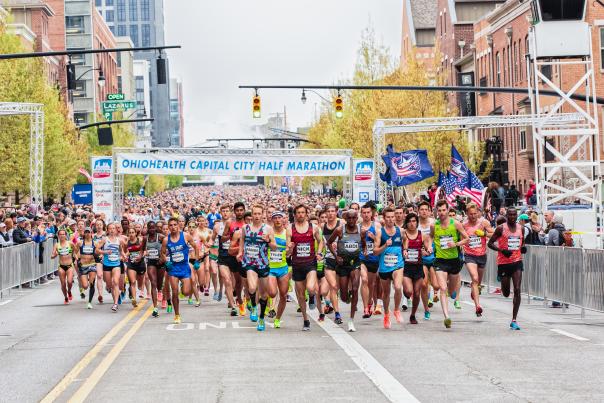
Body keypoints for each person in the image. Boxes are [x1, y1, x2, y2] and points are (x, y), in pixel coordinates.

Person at [430, 199, 469, 329]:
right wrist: (429, 247)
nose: (441, 213)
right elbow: (430, 237)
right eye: (439, 210)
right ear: (436, 211)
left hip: (453, 261)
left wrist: (456, 244)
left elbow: (467, 238)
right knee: (442, 288)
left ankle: (453, 293)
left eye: (443, 210)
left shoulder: (456, 224)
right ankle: (446, 317)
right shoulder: (434, 225)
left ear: (448, 210)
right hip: (440, 261)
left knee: (451, 290)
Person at [237, 204, 276, 331]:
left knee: (264, 295)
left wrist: (268, 241)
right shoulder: (245, 228)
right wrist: (240, 252)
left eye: (259, 214)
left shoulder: (268, 229)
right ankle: (253, 306)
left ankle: (261, 318)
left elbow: (274, 247)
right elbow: (242, 240)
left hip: (263, 264)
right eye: (255, 214)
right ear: (251, 215)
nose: (257, 216)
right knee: (252, 287)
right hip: (250, 262)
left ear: (262, 214)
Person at [488, 207, 526, 330]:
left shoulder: (521, 228)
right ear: (507, 216)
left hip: (517, 261)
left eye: (514, 215)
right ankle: (503, 285)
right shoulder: (501, 228)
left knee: (517, 289)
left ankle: (514, 319)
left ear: (517, 216)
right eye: (510, 215)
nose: (512, 217)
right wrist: (501, 250)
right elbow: (490, 243)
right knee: (505, 293)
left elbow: (522, 242)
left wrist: (523, 248)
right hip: (504, 263)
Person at [287, 204, 323, 331]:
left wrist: (319, 253)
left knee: (311, 287)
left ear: (306, 214)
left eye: (303, 212)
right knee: (301, 296)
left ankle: (312, 296)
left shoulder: (313, 227)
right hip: (297, 265)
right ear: (295, 214)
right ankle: (306, 320)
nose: (301, 215)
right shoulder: (290, 228)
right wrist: (290, 248)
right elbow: (287, 251)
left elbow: (321, 241)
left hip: (310, 263)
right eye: (298, 212)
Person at [326, 209, 362, 332]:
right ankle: (346, 295)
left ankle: (351, 320)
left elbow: (364, 243)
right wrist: (336, 256)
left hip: (355, 263)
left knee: (356, 288)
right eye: (349, 218)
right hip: (342, 264)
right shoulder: (339, 230)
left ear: (357, 218)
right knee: (344, 297)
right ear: (345, 219)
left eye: (354, 218)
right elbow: (329, 243)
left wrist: (365, 251)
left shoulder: (361, 231)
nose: (351, 220)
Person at [370, 207, 405, 329]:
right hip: (385, 267)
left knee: (398, 287)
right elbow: (375, 252)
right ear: (384, 219)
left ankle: (396, 310)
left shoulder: (400, 231)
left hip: (398, 265)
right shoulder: (380, 232)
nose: (390, 219)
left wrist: (404, 250)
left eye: (392, 217)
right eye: (388, 217)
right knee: (386, 293)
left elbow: (406, 241)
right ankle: (386, 314)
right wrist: (385, 245)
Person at [161, 217, 200, 324]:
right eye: (171, 225)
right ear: (168, 227)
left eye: (175, 225)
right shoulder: (166, 240)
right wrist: (166, 262)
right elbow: (163, 253)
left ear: (178, 225)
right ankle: (177, 315)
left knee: (186, 292)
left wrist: (196, 261)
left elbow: (196, 247)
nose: (173, 227)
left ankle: (184, 286)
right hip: (173, 268)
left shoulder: (185, 236)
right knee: (174, 292)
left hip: (184, 267)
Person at [462, 203, 493, 317]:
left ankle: (474, 290)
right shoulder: (464, 225)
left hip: (481, 255)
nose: (473, 216)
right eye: (471, 214)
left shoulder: (483, 223)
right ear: (467, 214)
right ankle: (477, 306)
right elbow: (460, 237)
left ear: (478, 213)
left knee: (478, 282)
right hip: (469, 255)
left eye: (475, 213)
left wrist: (484, 233)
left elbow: (493, 233)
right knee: (474, 278)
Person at [402, 212, 432, 324]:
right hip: (406, 267)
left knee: (417, 293)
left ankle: (413, 315)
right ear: (407, 223)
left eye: (414, 221)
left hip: (418, 267)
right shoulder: (403, 234)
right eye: (409, 221)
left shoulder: (422, 235)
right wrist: (403, 252)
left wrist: (428, 251)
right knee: (409, 291)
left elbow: (428, 246)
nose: (411, 223)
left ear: (417, 223)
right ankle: (406, 294)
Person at [220, 202, 246, 316]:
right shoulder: (230, 223)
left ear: (244, 211)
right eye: (237, 210)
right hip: (225, 256)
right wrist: (231, 235)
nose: (239, 212)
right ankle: (233, 307)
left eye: (241, 210)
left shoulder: (247, 224)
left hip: (239, 256)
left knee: (239, 282)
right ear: (234, 212)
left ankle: (239, 299)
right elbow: (222, 239)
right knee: (227, 280)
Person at [267, 211, 290, 328]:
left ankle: (277, 319)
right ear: (272, 220)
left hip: (283, 267)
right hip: (270, 267)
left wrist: (289, 249)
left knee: (283, 295)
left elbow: (290, 253)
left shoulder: (287, 233)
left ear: (283, 219)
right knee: (272, 293)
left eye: (279, 218)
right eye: (275, 218)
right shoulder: (268, 232)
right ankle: (268, 305)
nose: (277, 220)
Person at [322, 204, 343, 324]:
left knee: (341, 289)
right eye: (328, 211)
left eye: (332, 211)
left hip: (342, 260)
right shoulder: (322, 226)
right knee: (333, 287)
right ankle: (337, 314)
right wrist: (320, 252)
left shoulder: (342, 223)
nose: (330, 214)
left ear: (336, 212)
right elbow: (320, 242)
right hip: (329, 260)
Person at [359, 203, 379, 319]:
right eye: (364, 213)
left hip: (374, 258)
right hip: (362, 258)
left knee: (371, 284)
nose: (366, 215)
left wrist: (374, 238)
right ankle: (366, 307)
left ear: (371, 213)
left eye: (368, 212)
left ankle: (370, 301)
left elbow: (382, 241)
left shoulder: (377, 226)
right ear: (361, 214)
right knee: (364, 280)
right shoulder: (358, 226)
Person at [74, 227, 98, 309]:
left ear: (91, 233)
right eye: (86, 232)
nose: (87, 234)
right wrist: (78, 260)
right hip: (83, 266)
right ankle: (85, 281)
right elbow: (75, 253)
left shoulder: (95, 243)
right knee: (85, 286)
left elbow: (99, 253)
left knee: (92, 283)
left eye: (89, 232)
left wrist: (99, 257)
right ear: (84, 233)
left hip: (92, 264)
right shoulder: (80, 243)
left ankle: (90, 302)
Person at [145, 221, 164, 317]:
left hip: (160, 262)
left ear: (156, 228)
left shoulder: (160, 237)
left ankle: (161, 292)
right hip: (151, 262)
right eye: (150, 228)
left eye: (153, 228)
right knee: (153, 283)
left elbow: (167, 247)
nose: (152, 230)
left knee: (159, 284)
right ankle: (155, 307)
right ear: (147, 228)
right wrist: (140, 256)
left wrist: (163, 257)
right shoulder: (145, 238)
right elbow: (141, 250)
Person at [51, 229, 75, 304]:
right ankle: (65, 297)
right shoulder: (57, 245)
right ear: (58, 236)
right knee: (63, 284)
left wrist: (74, 256)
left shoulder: (70, 243)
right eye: (60, 234)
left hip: (69, 265)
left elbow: (75, 250)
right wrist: (56, 254)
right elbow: (52, 256)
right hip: (61, 266)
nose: (62, 236)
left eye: (63, 234)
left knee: (70, 282)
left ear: (65, 235)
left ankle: (69, 291)